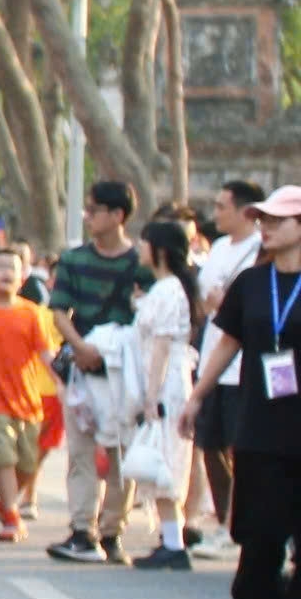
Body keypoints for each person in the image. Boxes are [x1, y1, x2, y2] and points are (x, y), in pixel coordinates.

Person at [180, 184, 301, 599]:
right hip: (260, 426)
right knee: (260, 532)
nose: (265, 228)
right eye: (263, 220)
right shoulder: (250, 283)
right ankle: (260, 598)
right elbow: (227, 342)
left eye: (277, 221)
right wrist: (197, 397)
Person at [47, 179, 154, 564]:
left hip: (123, 372)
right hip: (83, 366)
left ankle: (112, 530)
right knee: (80, 452)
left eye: (94, 210)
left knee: (120, 453)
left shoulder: (139, 264)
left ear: (118, 216)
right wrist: (81, 347)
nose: (88, 216)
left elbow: (147, 313)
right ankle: (81, 529)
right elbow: (59, 310)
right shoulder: (74, 260)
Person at [0, 249, 63, 541]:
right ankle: (11, 515)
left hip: (28, 400)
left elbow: (46, 354)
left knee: (28, 463)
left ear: (23, 277)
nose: (7, 272)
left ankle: (2, 505)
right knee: (3, 457)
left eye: (14, 268)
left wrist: (63, 381)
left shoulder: (31, 313)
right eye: (1, 266)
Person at [192, 180, 262, 547]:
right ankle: (225, 522)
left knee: (241, 447)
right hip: (212, 359)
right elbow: (204, 302)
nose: (216, 213)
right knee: (211, 442)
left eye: (222, 206)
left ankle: (239, 524)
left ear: (246, 211)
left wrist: (227, 302)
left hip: (243, 368)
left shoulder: (260, 251)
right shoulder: (218, 248)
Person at [130, 219, 201, 569]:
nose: (139, 248)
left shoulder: (170, 290)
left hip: (168, 384)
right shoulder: (164, 289)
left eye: (145, 243)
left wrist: (150, 395)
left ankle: (174, 542)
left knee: (165, 459)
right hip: (164, 380)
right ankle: (170, 538)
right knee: (163, 459)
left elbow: (160, 346)